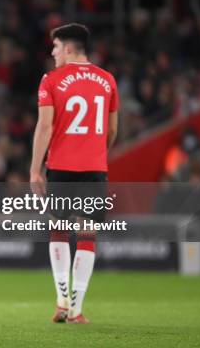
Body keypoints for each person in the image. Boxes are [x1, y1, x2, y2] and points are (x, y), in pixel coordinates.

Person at [30, 23, 118, 324]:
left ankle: (62, 301)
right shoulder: (107, 81)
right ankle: (77, 309)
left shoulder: (51, 80)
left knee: (58, 230)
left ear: (68, 48)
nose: (53, 53)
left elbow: (45, 126)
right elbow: (113, 129)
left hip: (61, 168)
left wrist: (34, 169)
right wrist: (95, 152)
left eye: (55, 48)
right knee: (87, 235)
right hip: (94, 169)